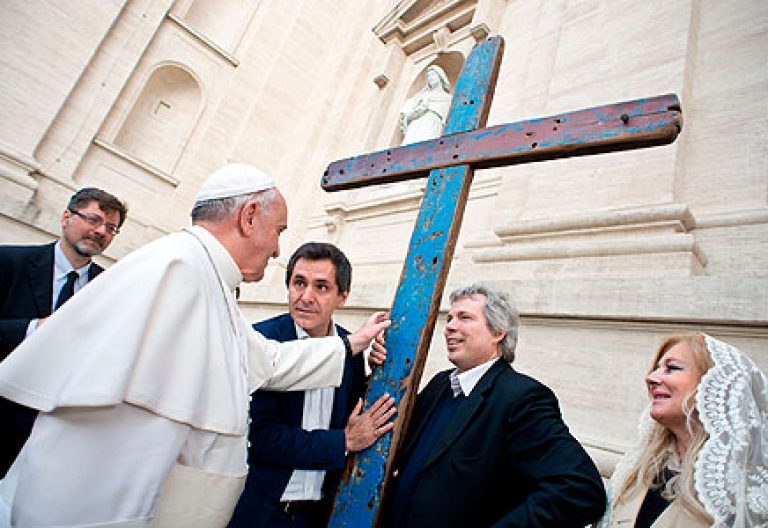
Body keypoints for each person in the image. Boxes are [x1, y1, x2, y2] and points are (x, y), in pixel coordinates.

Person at [0, 164, 390, 527]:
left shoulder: (207, 279)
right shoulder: (175, 268)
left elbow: (266, 361)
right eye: (279, 231)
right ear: (249, 216)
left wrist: (353, 342)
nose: (275, 250)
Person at [377, 283, 606, 528]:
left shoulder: (522, 398)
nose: (450, 327)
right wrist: (379, 369)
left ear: (499, 332)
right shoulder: (440, 385)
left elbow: (579, 490)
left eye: (465, 318)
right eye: (450, 318)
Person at [230, 242, 395, 527]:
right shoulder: (262, 342)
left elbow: (354, 413)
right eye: (299, 283)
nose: (305, 297)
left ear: (342, 297)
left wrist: (377, 372)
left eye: (321, 287)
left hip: (320, 514)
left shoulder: (350, 350)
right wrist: (342, 441)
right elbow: (262, 440)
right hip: (261, 511)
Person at [0, 187, 128, 475]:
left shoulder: (112, 289)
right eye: (93, 220)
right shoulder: (8, 262)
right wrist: (35, 329)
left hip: (53, 437)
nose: (100, 232)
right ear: (66, 217)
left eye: (110, 228)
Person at [603, 333, 768, 528]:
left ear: (714, 385)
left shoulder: (740, 487)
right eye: (657, 368)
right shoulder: (641, 466)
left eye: (671, 368)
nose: (651, 378)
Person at [399, 64, 452, 145]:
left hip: (433, 128)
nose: (430, 78)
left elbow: (447, 121)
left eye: (433, 75)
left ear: (440, 77)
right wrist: (417, 112)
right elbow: (405, 117)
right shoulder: (420, 97)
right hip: (415, 128)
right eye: (428, 76)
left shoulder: (448, 98)